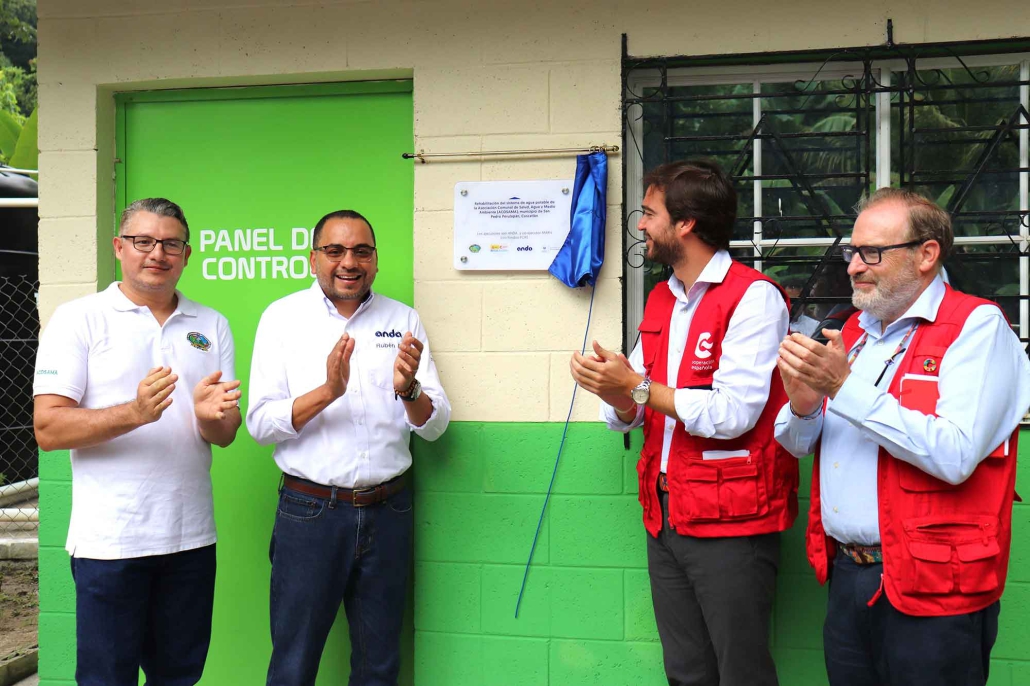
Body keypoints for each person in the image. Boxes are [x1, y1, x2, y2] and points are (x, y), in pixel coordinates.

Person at [774, 188, 1030, 686]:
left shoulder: (977, 327)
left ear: (926, 254)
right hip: (849, 575)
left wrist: (844, 388)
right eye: (852, 252)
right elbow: (799, 443)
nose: (854, 267)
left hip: (935, 585)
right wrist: (803, 404)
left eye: (872, 253)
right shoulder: (854, 332)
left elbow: (955, 454)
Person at [570, 159, 796, 686]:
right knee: (686, 672)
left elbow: (733, 413)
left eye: (650, 213)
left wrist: (636, 388)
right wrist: (615, 392)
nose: (641, 225)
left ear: (686, 223)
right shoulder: (661, 297)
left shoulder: (754, 297)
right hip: (665, 514)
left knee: (742, 673)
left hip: (732, 521)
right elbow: (629, 411)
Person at [33, 198, 242, 686]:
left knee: (179, 677)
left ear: (186, 254)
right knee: (107, 678)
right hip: (110, 544)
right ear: (118, 247)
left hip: (190, 540)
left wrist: (210, 418)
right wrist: (135, 412)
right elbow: (49, 429)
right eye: (143, 241)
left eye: (170, 243)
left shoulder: (211, 324)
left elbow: (225, 434)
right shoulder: (79, 318)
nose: (157, 253)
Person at [247, 209, 451, 686]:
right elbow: (259, 423)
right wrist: (328, 392)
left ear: (375, 260)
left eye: (362, 251)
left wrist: (408, 390)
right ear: (313, 258)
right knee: (294, 665)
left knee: (379, 665)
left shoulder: (402, 319)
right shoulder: (282, 318)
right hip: (310, 513)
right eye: (335, 251)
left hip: (388, 511)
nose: (349, 262)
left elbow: (436, 426)